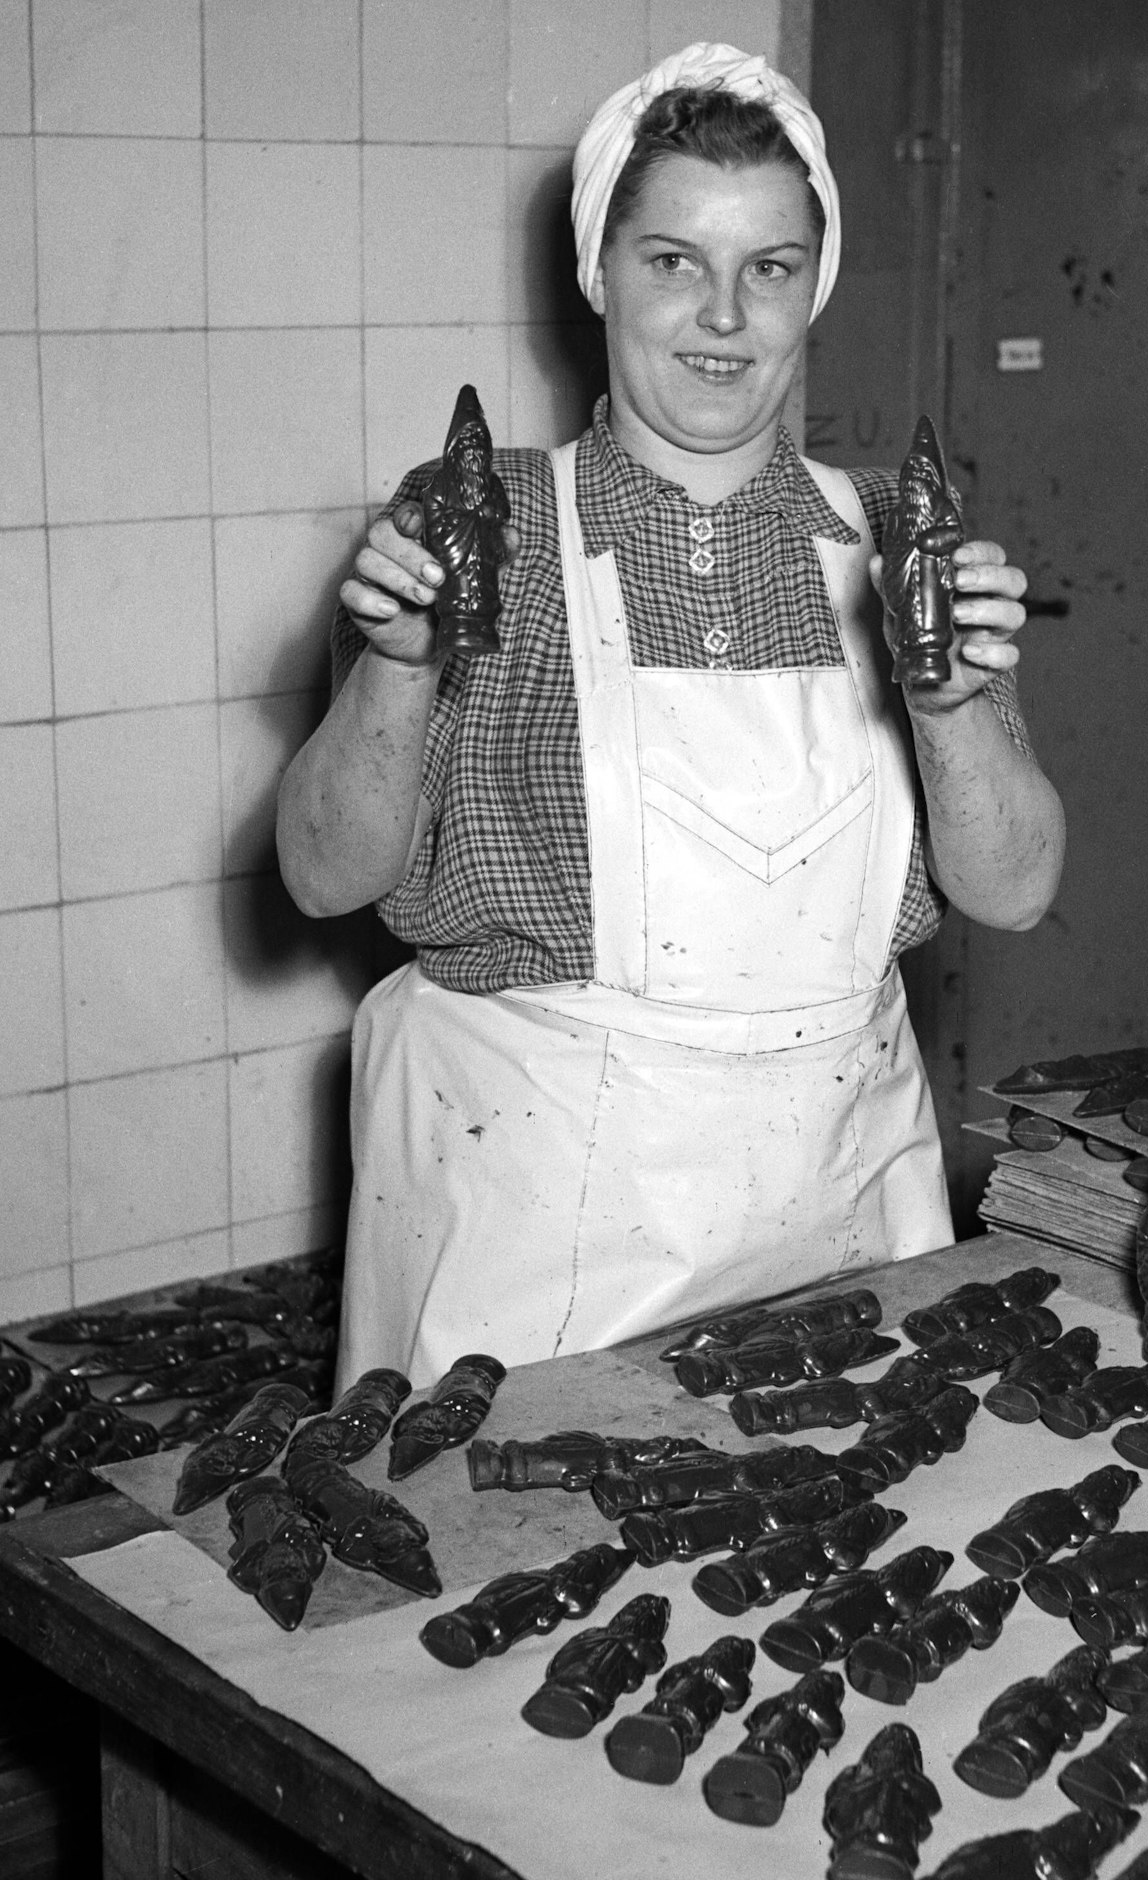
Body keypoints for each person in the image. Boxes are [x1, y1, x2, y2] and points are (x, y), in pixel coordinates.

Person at [277, 43, 1066, 1388]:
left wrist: (945, 698)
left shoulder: (897, 533)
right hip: (534, 1219)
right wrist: (399, 666)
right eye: (672, 261)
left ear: (814, 283)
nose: (721, 315)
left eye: (769, 266)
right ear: (598, 273)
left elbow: (1015, 888)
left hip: (840, 1198)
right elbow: (318, 872)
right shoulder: (480, 519)